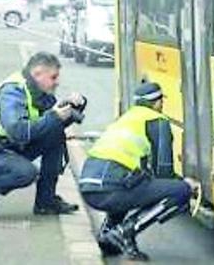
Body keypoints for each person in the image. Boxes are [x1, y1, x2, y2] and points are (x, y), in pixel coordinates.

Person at [79, 82, 195, 261]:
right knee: (181, 190)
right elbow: (163, 171)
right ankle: (125, 231)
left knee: (133, 184)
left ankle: (109, 232)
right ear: (157, 103)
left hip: (88, 187)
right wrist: (185, 183)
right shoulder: (157, 121)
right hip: (111, 188)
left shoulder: (126, 118)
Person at [0, 52, 84, 221]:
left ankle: (46, 202)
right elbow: (18, 131)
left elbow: (50, 124)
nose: (57, 82)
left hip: (6, 147)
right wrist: (55, 117)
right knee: (26, 172)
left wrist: (72, 107)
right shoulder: (13, 92)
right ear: (38, 74)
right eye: (53, 77)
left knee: (55, 135)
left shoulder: (37, 90)